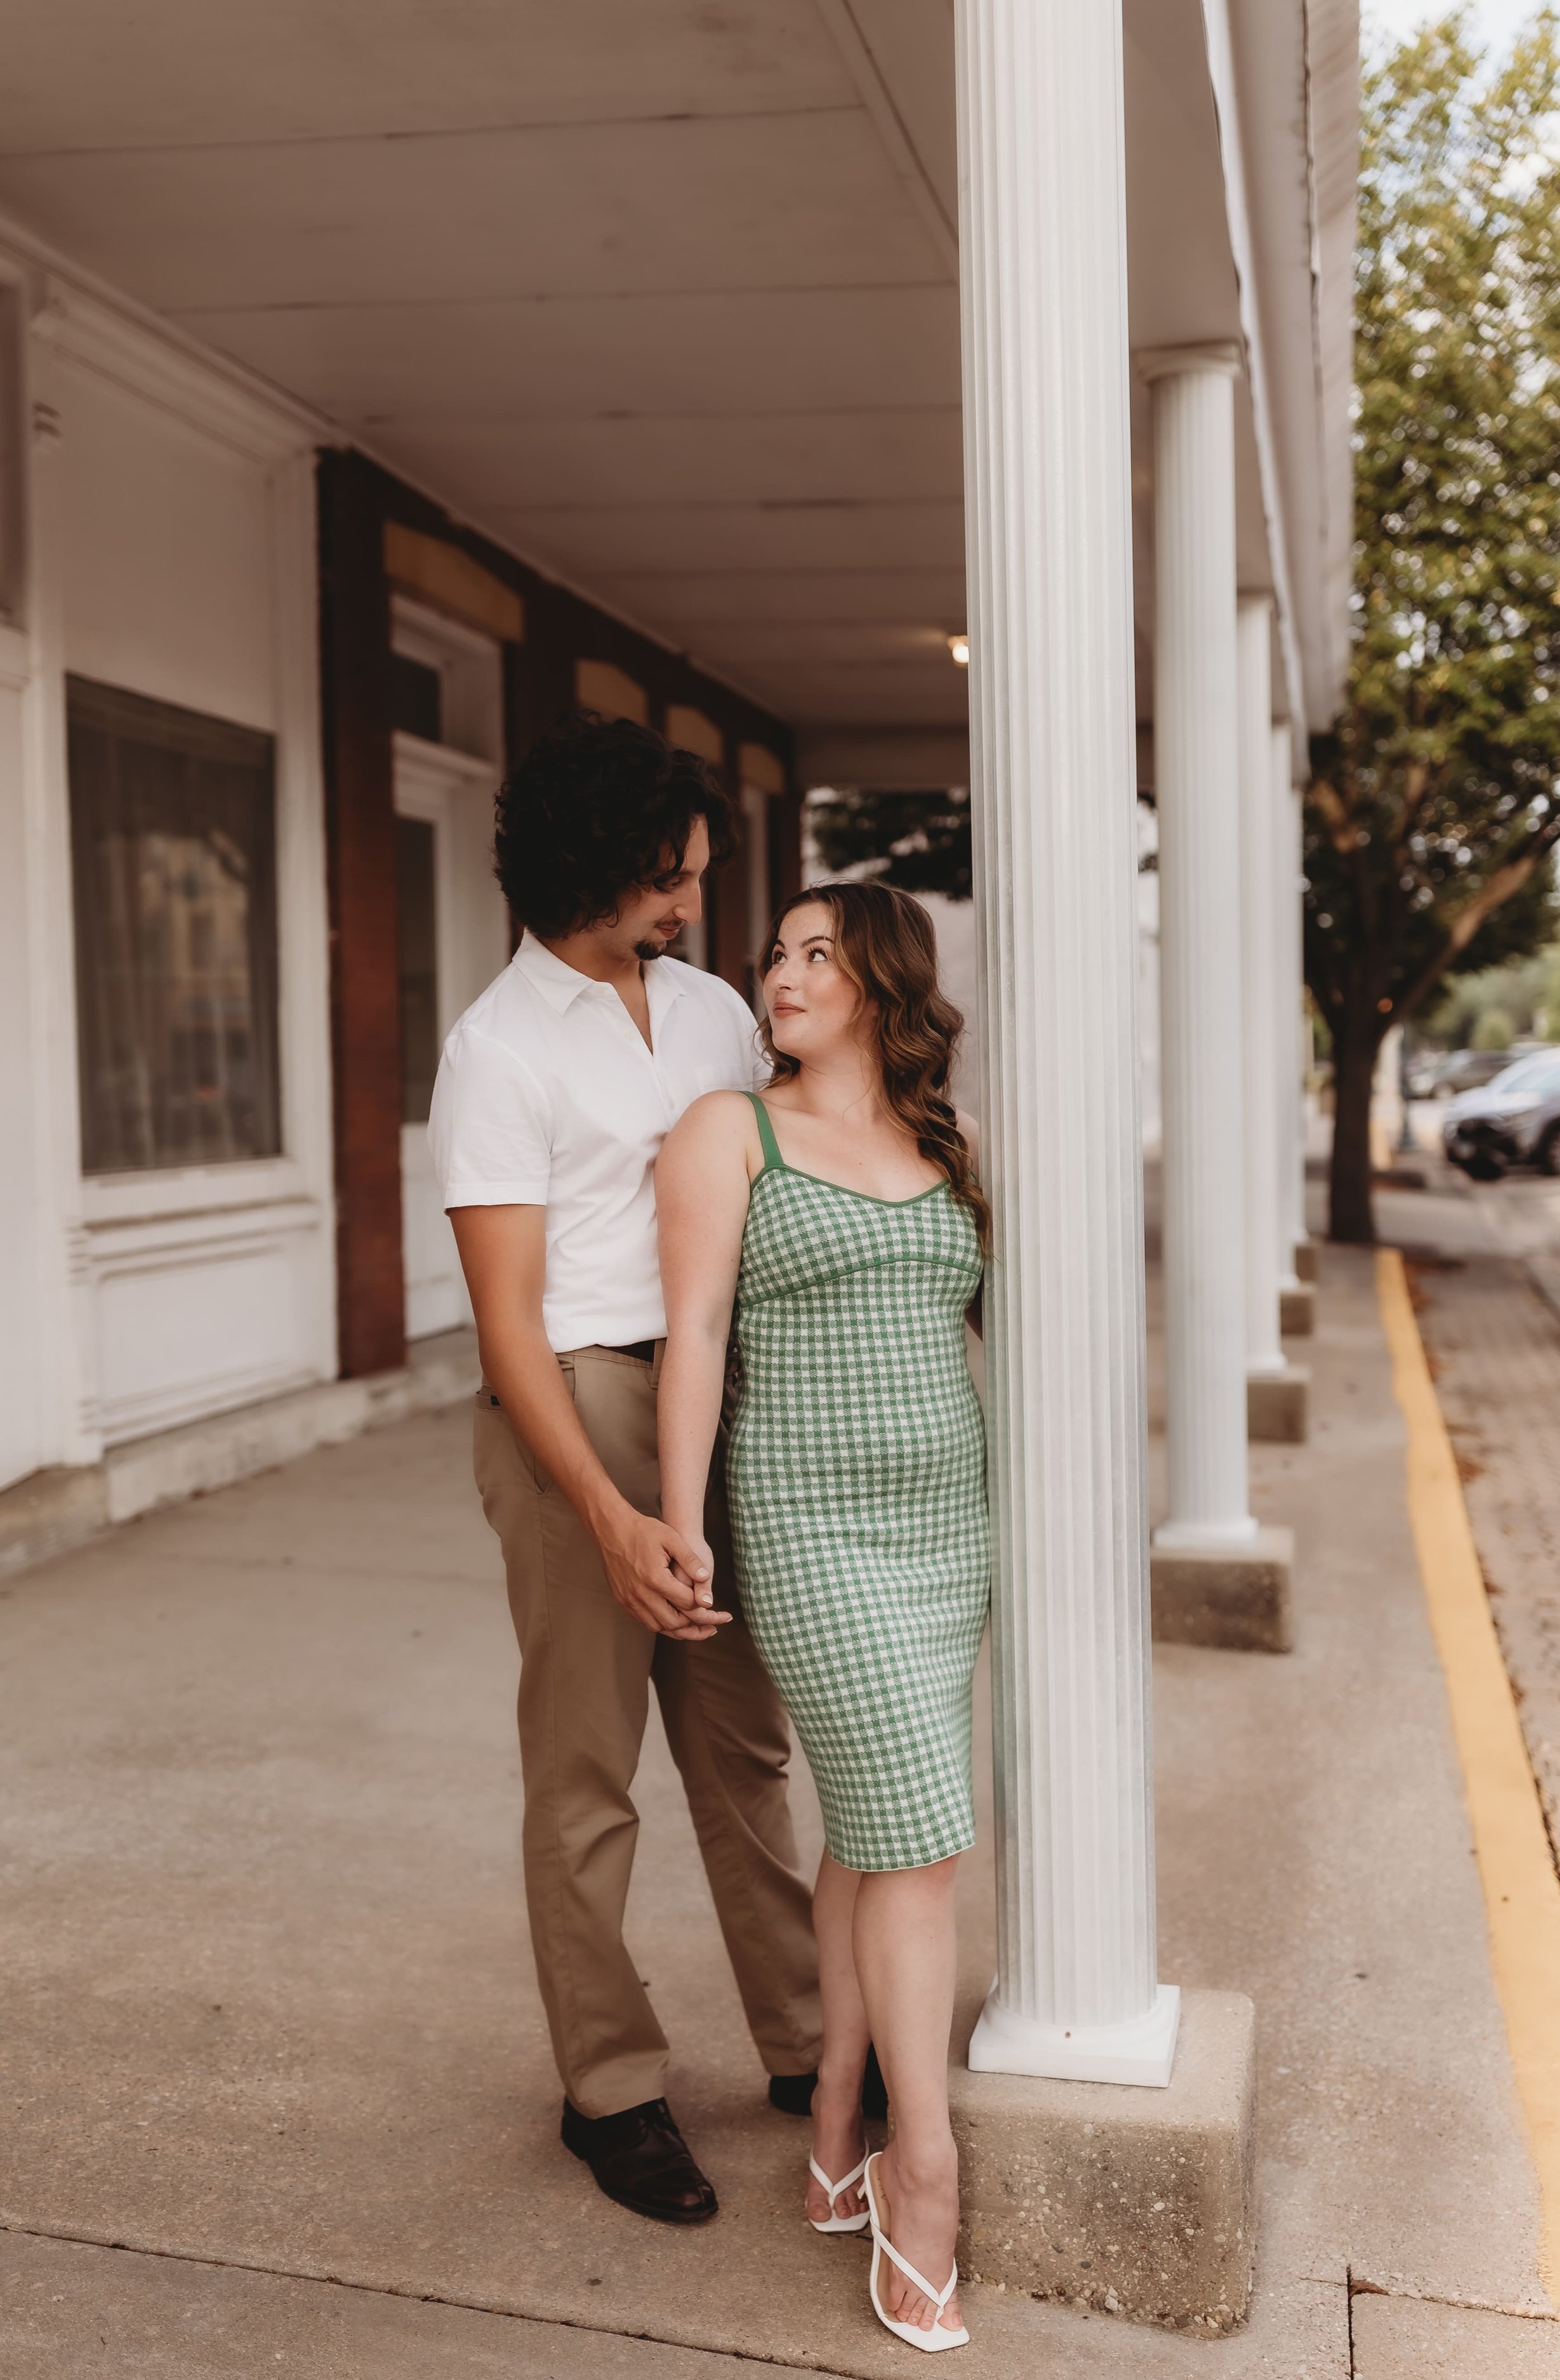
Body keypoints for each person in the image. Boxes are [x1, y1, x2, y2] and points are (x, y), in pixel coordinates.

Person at [428, 710, 824, 2228]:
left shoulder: (720, 1009)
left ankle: (803, 2044)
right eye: (668, 880)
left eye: (696, 879)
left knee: (742, 1746)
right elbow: (512, 1331)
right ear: (590, 868)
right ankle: (610, 2087)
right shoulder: (498, 1051)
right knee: (588, 1773)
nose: (688, 908)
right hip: (576, 1412)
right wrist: (606, 1515)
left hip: (713, 1409)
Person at [656, 880, 990, 2352]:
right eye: (770, 955)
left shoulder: (942, 1143)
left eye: (810, 954)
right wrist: (679, 1527)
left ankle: (835, 2126)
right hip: (810, 1529)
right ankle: (924, 2169)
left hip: (945, 1532)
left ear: (878, 979)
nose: (777, 976)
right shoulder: (729, 1132)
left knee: (873, 1828)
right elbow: (696, 1339)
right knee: (919, 1836)